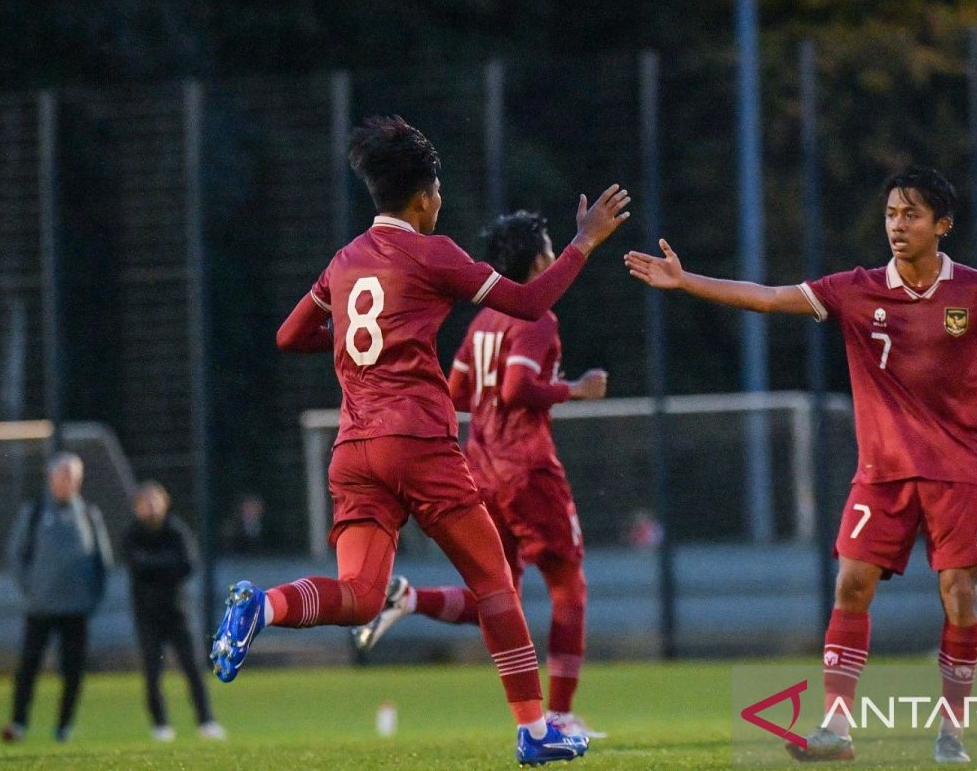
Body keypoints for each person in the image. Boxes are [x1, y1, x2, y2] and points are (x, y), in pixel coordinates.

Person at [625, 167, 977, 764]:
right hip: (881, 472)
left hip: (956, 471)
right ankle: (835, 728)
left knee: (958, 597)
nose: (897, 226)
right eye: (891, 214)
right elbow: (769, 297)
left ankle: (952, 731)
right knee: (851, 585)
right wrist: (687, 282)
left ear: (944, 225)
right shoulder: (855, 288)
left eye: (911, 215)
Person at [209, 115, 630, 765]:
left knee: (358, 598)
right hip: (418, 441)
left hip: (354, 450)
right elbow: (528, 300)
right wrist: (584, 242)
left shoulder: (343, 261)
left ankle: (263, 606)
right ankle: (536, 729)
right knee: (495, 581)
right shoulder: (434, 253)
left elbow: (289, 337)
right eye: (438, 194)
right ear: (424, 197)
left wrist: (353, 345)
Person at [349, 211, 608, 739]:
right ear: (539, 258)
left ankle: (409, 598)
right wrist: (574, 389)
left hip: (482, 472)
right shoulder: (537, 318)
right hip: (527, 469)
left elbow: (458, 393)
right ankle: (558, 715)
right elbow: (516, 389)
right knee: (569, 588)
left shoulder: (485, 319)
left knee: (499, 594)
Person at [1, 452, 114, 743]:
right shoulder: (35, 512)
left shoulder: (89, 513)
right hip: (40, 608)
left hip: (77, 609)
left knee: (73, 670)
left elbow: (104, 561)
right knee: (29, 667)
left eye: (74, 477)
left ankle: (64, 726)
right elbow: (16, 557)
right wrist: (31, 589)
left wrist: (93, 596)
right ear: (51, 478)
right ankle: (19, 722)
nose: (69, 481)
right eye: (63, 475)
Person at [124, 481, 226, 742]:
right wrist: (164, 567)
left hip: (177, 612)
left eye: (155, 501)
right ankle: (160, 725)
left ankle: (206, 721)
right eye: (145, 503)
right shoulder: (132, 535)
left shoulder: (176, 532)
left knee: (193, 668)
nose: (151, 507)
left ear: (165, 502)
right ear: (137, 508)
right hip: (147, 615)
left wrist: (154, 568)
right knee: (152, 671)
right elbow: (137, 567)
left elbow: (188, 565)